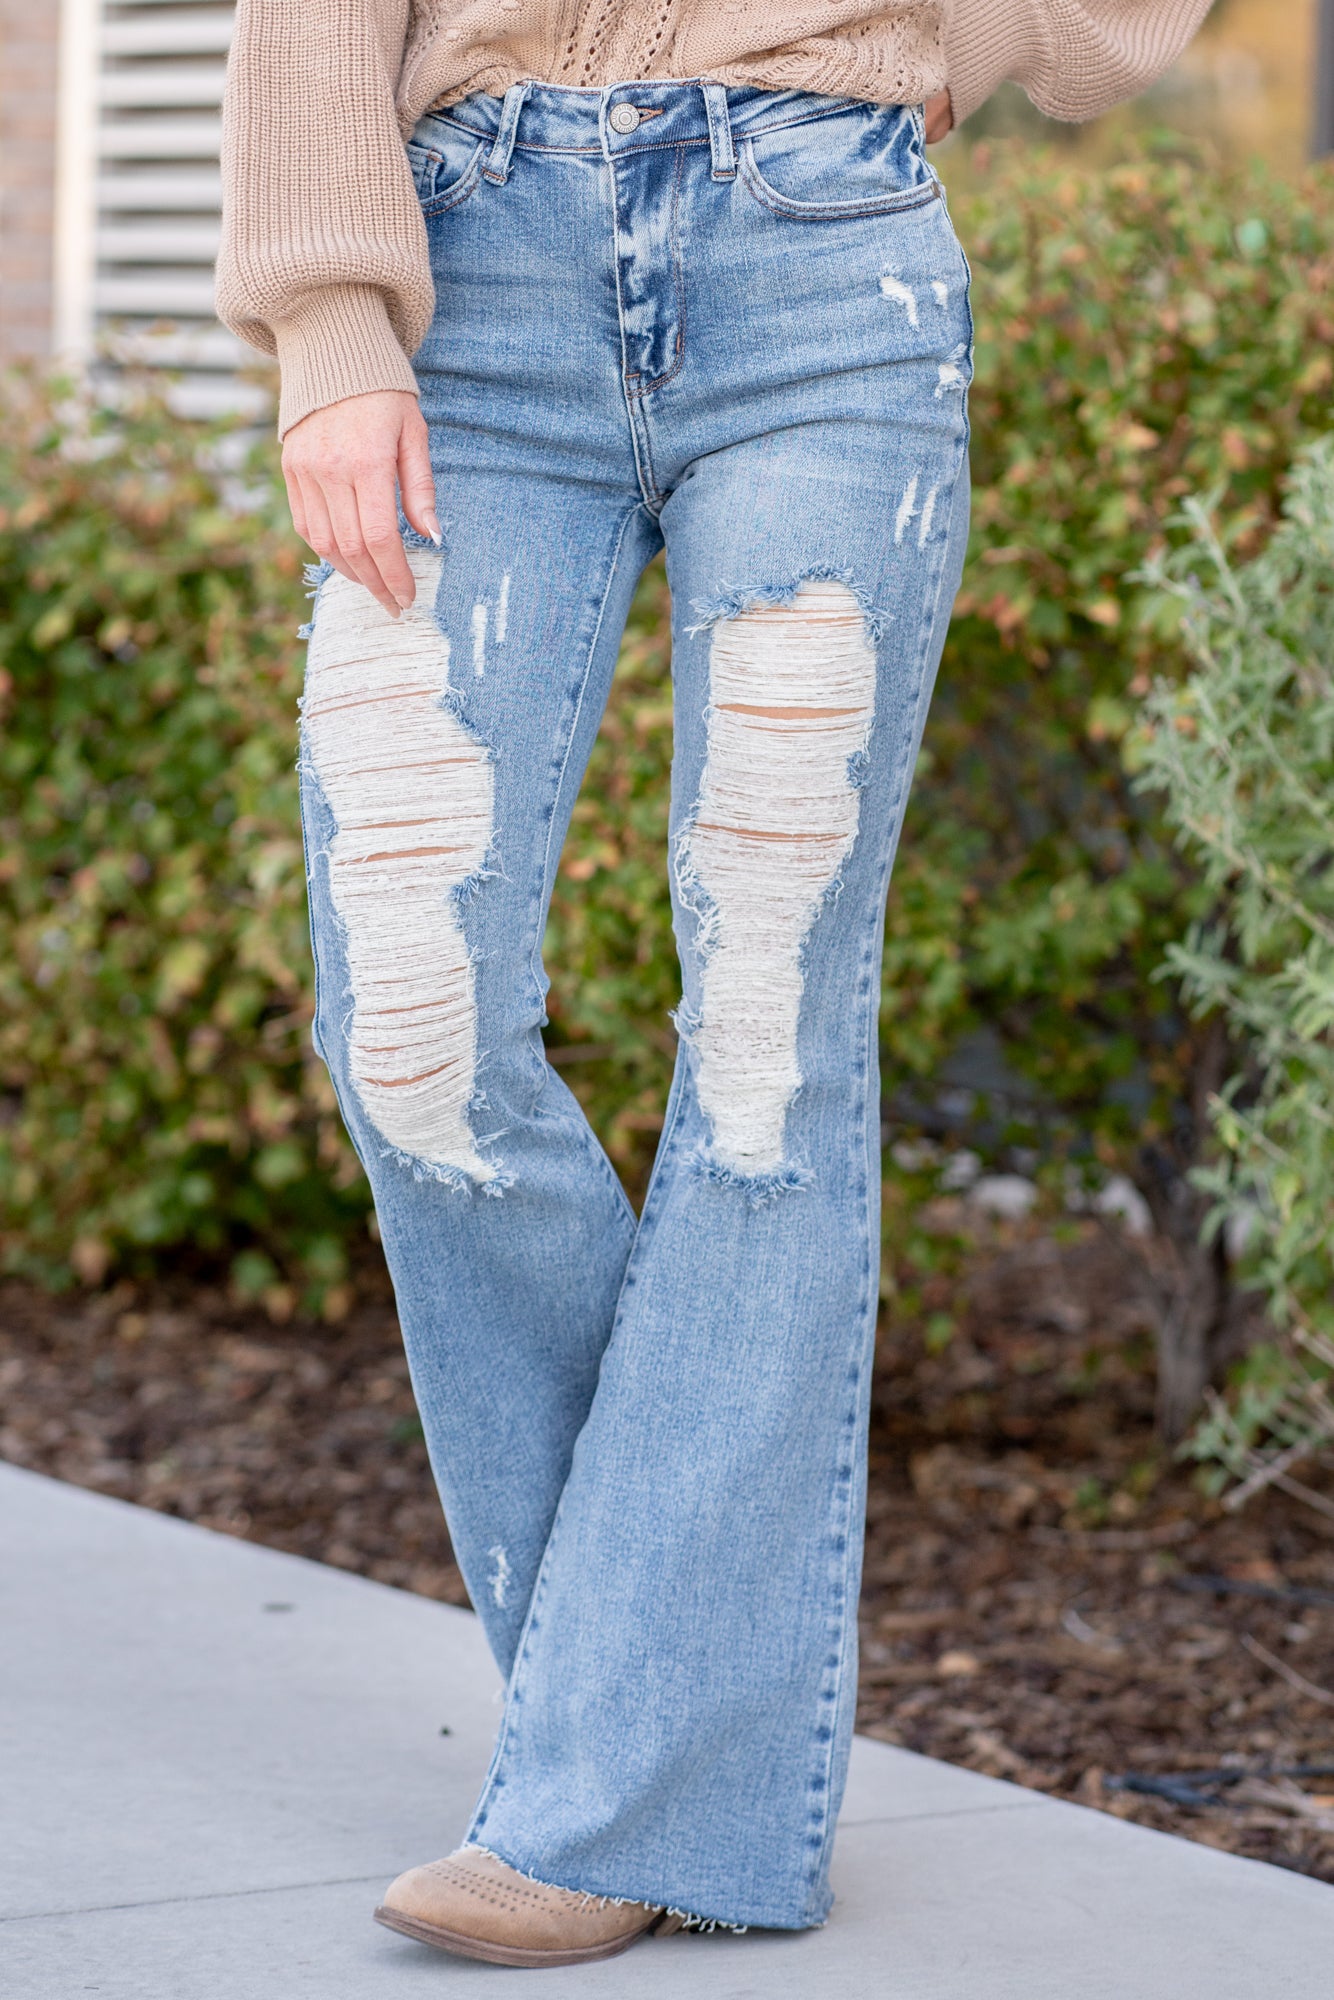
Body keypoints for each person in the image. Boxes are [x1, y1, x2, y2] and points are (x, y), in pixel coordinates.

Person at [217, 0, 1211, 1968]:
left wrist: (976, 30)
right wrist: (328, 317)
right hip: (469, 271)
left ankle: (611, 1796)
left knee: (764, 1046)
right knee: (407, 1025)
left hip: (822, 265)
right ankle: (663, 1754)